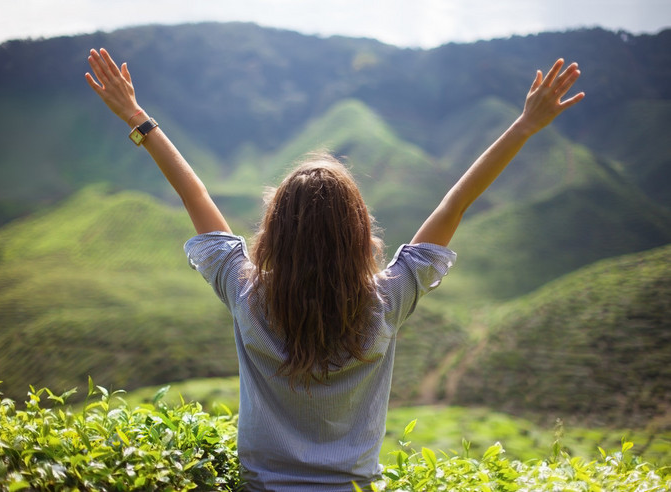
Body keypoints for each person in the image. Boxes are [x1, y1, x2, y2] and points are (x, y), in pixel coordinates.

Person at [86, 47, 584, 491]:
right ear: (359, 229)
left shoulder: (246, 292)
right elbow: (456, 203)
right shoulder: (387, 300)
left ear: (275, 229)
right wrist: (523, 127)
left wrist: (137, 117)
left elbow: (194, 194)